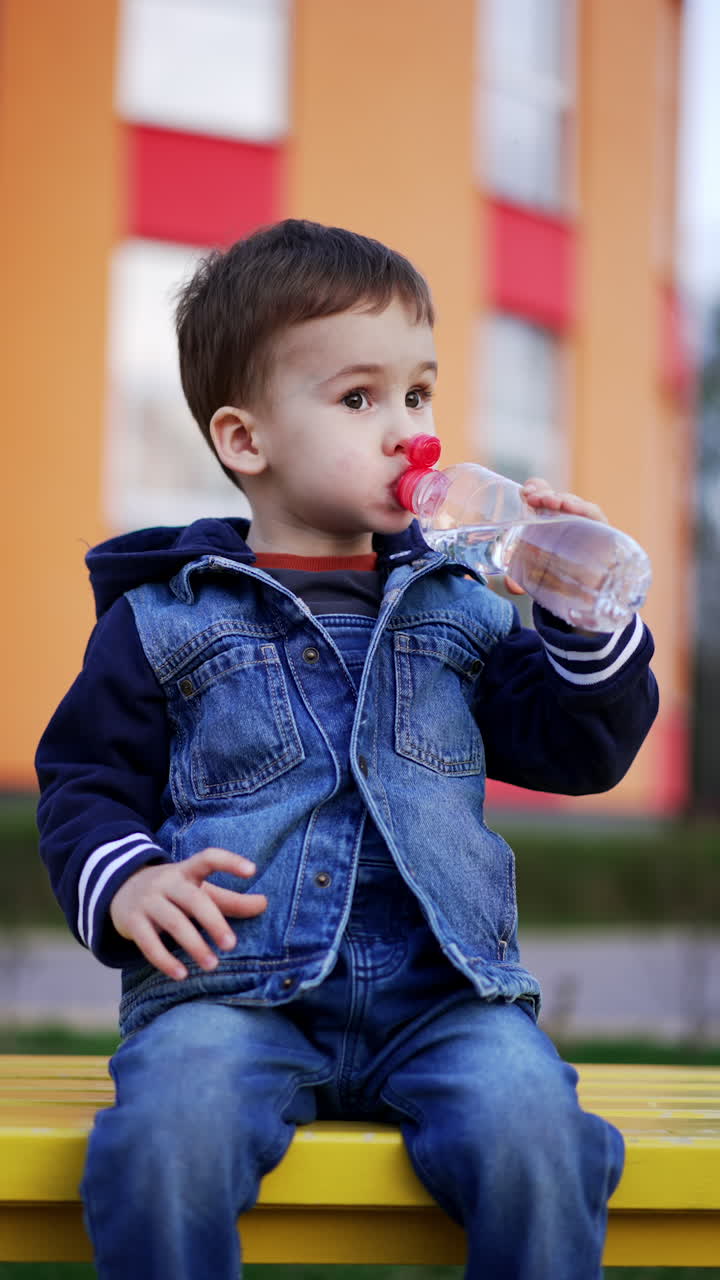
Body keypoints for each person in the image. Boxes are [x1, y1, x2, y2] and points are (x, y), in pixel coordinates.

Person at [36, 218, 658, 1280]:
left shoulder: (463, 602)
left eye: (419, 393)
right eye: (360, 398)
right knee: (162, 1143)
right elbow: (84, 780)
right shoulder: (169, 617)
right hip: (230, 992)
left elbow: (578, 749)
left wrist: (578, 621)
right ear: (246, 439)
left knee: (536, 1137)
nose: (412, 435)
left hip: (443, 998)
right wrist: (126, 879)